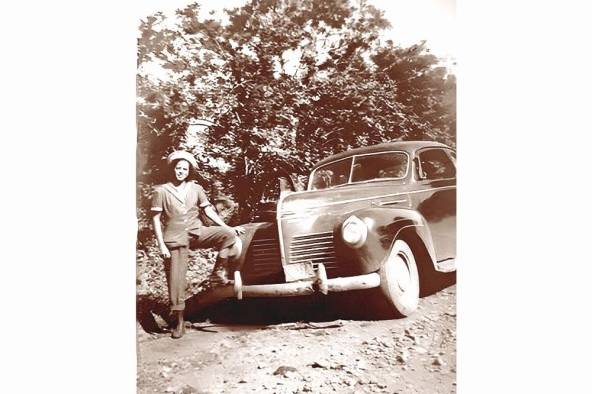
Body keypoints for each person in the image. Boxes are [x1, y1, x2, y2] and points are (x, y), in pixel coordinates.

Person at [151, 150, 245, 338]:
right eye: (178, 168)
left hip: (196, 232)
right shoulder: (161, 191)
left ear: (189, 171)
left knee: (227, 235)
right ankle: (178, 321)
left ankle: (218, 274)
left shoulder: (196, 189)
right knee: (176, 281)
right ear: (172, 169)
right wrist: (161, 245)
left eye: (184, 169)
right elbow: (155, 219)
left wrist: (228, 226)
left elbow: (209, 212)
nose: (181, 172)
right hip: (175, 238)